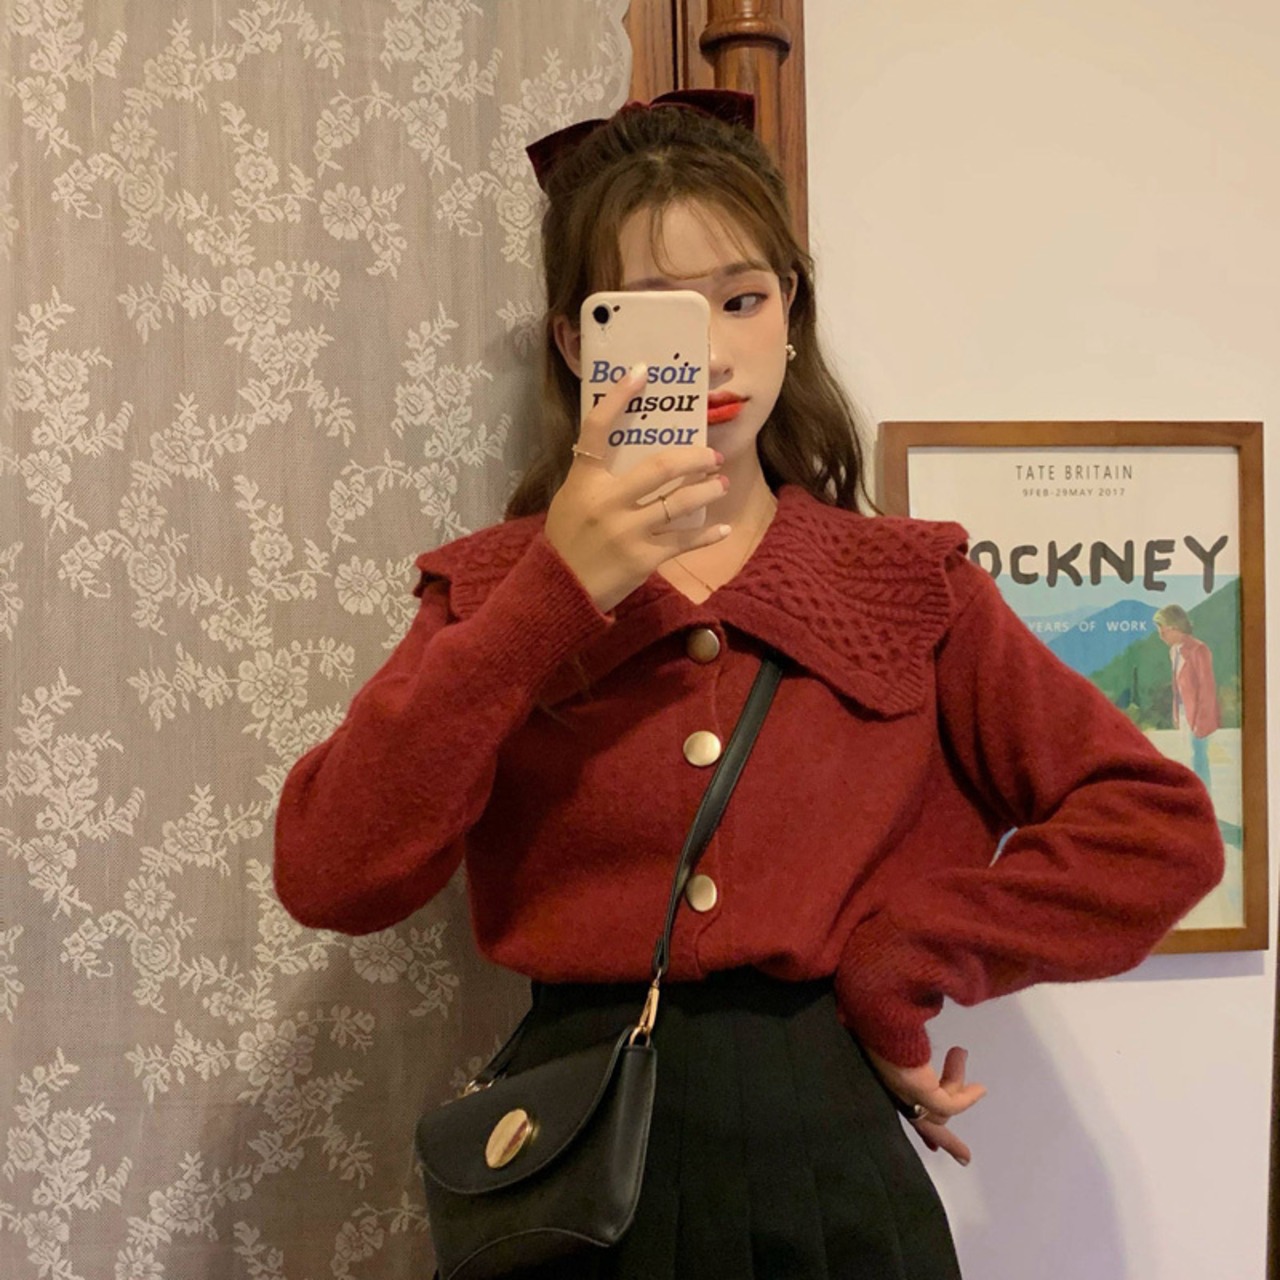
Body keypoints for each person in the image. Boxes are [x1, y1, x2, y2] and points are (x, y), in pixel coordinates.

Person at [273, 92, 1223, 1279]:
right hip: (574, 1173)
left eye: (740, 299)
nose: (712, 354)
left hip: (828, 1172)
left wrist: (908, 954)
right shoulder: (492, 595)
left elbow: (1155, 828)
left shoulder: (908, 587)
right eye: (656, 313)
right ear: (576, 342)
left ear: (790, 314)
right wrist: (552, 592)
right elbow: (332, 872)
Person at [1154, 603, 1221, 795]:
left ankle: (1203, 797)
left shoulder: (1199, 650)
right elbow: (1177, 688)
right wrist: (1177, 713)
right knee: (1188, 756)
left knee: (1198, 757)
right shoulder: (1174, 651)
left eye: (1163, 629)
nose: (1161, 635)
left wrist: (1201, 721)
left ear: (1175, 627)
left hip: (1198, 714)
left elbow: (1207, 689)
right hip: (1184, 713)